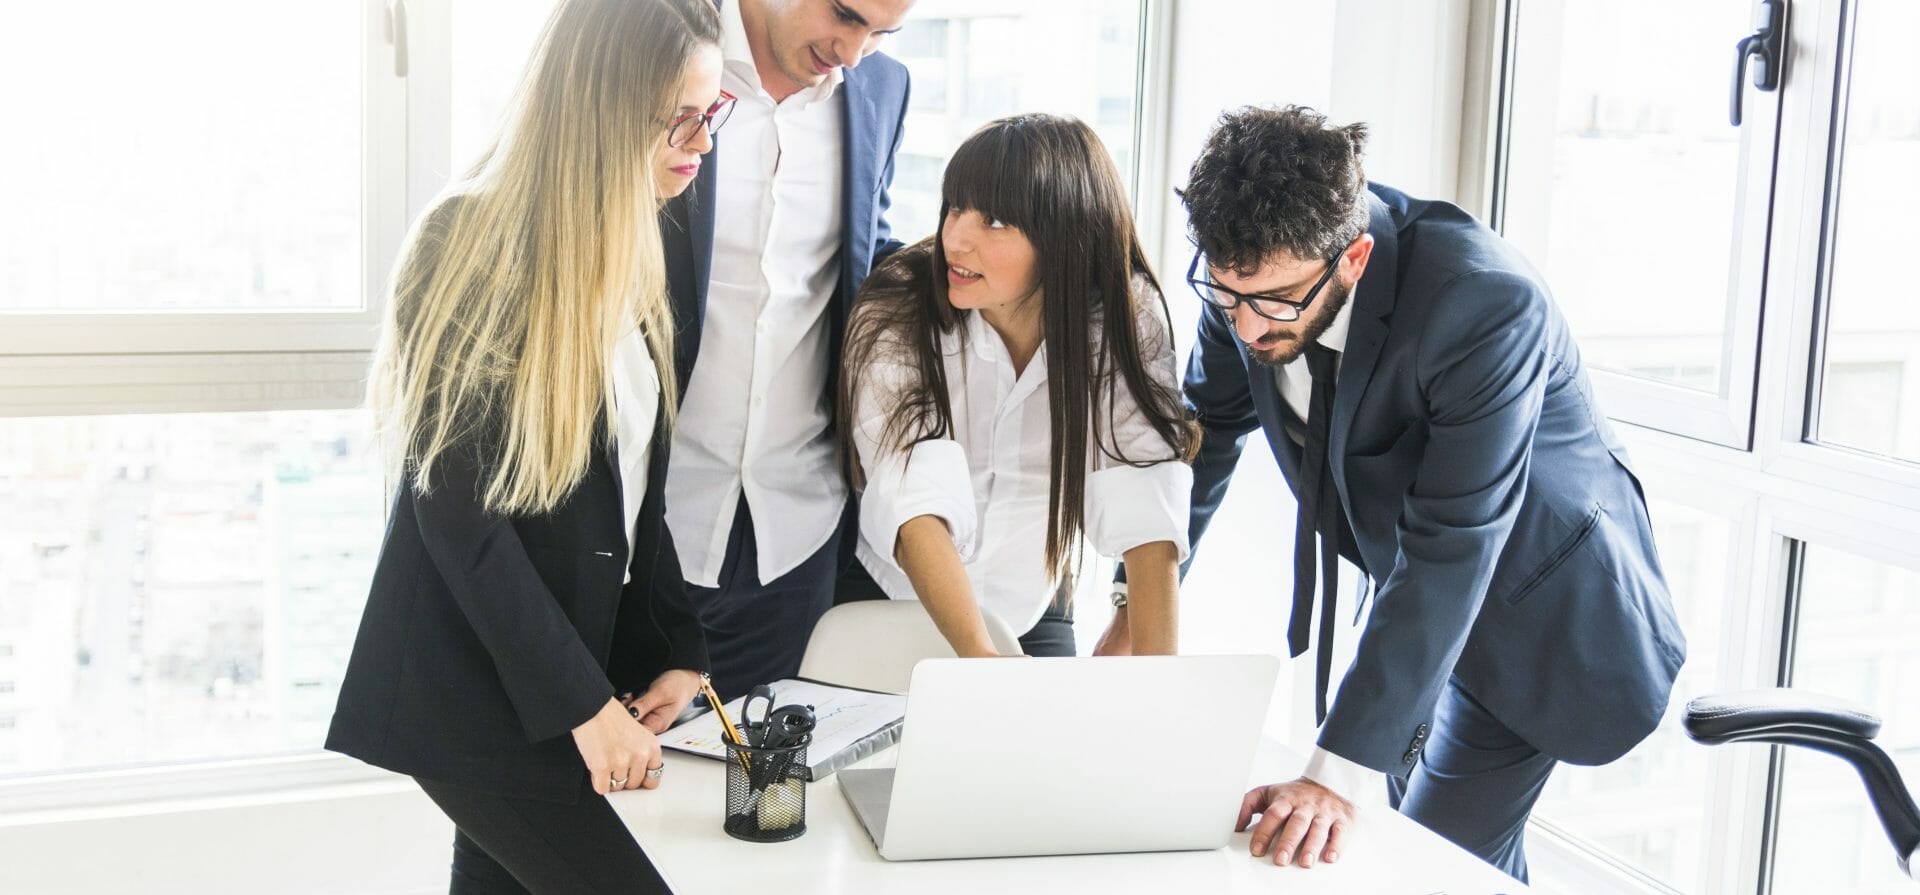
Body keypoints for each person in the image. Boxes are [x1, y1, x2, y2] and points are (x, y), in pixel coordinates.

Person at [1165, 106, 1686, 881]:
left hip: (1539, 615)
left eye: (1271, 301)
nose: (1244, 326)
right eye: (1225, 293)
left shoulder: (1482, 302)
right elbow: (1203, 436)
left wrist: (1334, 771)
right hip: (1415, 605)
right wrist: (1136, 596)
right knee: (1392, 852)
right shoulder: (1249, 282)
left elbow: (1455, 541)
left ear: (1354, 259)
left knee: (1428, 866)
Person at [325, 1, 728, 891]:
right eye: (680, 117)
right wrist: (584, 704)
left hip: (560, 673)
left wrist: (679, 647)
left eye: (712, 112)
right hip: (473, 689)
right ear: (599, 108)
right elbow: (457, 516)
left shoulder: (641, 237)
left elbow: (634, 494)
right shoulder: (465, 238)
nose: (702, 141)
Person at [839, 114, 1197, 658]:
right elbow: (914, 502)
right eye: (955, 207)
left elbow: (1145, 492)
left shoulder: (1127, 315)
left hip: (1035, 598)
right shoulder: (899, 302)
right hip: (893, 594)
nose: (955, 238)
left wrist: (1153, 684)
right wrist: (985, 662)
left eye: (995, 221)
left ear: (1066, 238)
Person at [660, 0, 917, 699]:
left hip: (796, 533)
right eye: (845, 14)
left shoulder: (881, 89)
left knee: (766, 801)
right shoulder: (658, 46)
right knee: (616, 790)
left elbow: (866, 262)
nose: (855, 50)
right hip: (648, 522)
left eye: (881, 32)